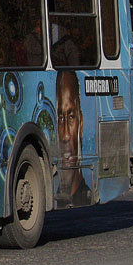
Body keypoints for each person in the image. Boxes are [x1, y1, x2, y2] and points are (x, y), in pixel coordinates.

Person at [56, 70, 92, 207]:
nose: (65, 136)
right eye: (59, 119)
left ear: (81, 123)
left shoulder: (86, 195)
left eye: (71, 118)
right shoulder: (53, 198)